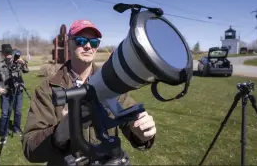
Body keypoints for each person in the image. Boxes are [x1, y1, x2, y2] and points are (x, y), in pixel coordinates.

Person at [22, 20, 157, 166]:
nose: (87, 46)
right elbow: (30, 147)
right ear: (69, 43)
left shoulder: (111, 82)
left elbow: (129, 116)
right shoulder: (48, 89)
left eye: (94, 42)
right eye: (80, 40)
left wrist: (141, 133)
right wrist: (59, 132)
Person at [0, 44, 29, 144]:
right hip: (6, 93)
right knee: (5, 114)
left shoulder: (17, 62)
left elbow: (26, 71)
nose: (9, 55)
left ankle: (16, 128)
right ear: (3, 54)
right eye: (6, 53)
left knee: (18, 111)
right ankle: (3, 134)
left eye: (10, 53)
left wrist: (23, 64)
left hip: (18, 91)